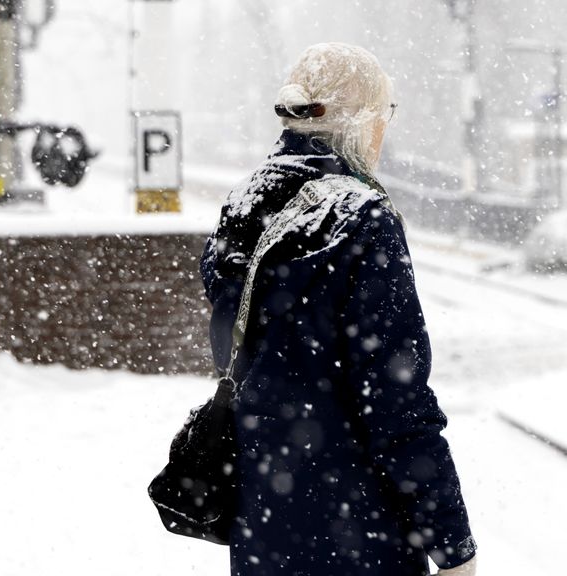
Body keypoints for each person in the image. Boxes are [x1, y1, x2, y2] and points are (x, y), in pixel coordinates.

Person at [199, 43, 477, 576]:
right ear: (361, 119)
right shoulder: (361, 216)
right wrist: (452, 544)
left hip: (262, 521)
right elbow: (396, 399)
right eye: (384, 114)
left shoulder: (244, 205)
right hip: (357, 531)